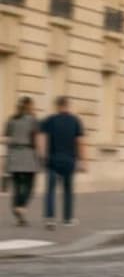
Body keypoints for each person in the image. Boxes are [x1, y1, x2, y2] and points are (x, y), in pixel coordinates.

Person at [39, 96, 85, 229]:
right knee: (68, 191)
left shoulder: (49, 120)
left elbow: (42, 139)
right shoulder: (75, 121)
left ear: (57, 106)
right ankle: (67, 219)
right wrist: (82, 161)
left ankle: (50, 219)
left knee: (50, 190)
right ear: (68, 105)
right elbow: (80, 142)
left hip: (53, 160)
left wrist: (42, 156)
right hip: (69, 160)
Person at [6, 97, 40, 227]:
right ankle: (21, 207)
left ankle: (17, 211)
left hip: (14, 155)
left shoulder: (11, 119)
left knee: (17, 185)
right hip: (28, 154)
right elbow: (36, 139)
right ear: (29, 106)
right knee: (30, 185)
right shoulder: (33, 120)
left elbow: (6, 137)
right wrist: (39, 156)